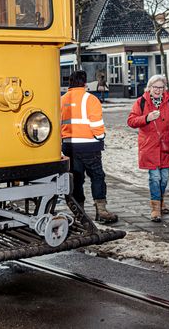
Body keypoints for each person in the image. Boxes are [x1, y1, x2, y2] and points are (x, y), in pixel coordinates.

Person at [61, 70, 118, 223]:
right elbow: (96, 124)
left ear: (69, 83)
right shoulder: (90, 99)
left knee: (76, 179)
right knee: (97, 176)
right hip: (89, 146)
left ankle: (79, 212)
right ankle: (101, 211)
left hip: (69, 146)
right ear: (85, 83)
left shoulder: (61, 100)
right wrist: (100, 138)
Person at [127, 75, 169, 222]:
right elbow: (131, 121)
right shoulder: (141, 102)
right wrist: (147, 118)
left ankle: (160, 200)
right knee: (155, 177)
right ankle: (155, 209)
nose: (158, 90)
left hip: (166, 146)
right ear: (149, 87)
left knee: (164, 178)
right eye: (155, 87)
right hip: (149, 146)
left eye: (161, 87)